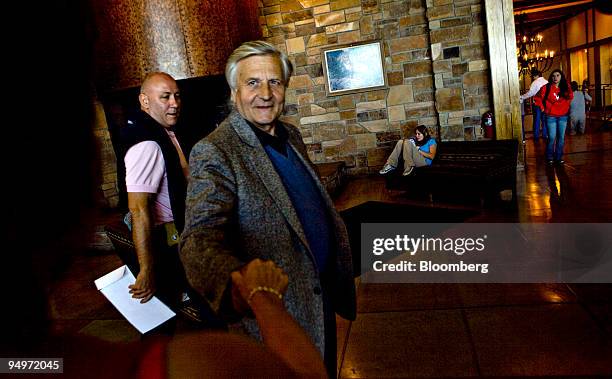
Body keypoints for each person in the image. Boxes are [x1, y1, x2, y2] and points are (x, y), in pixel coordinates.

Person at [179, 40, 356, 378]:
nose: (265, 93)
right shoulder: (215, 150)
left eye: (274, 81)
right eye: (252, 82)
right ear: (234, 93)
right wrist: (244, 288)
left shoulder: (291, 135)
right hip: (277, 319)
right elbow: (198, 238)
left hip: (319, 300)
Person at [119, 72, 191, 309]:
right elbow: (138, 208)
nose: (174, 104)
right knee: (164, 320)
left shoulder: (165, 132)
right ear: (144, 101)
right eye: (165, 97)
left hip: (182, 238)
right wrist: (146, 269)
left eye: (177, 96)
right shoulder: (147, 142)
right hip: (166, 244)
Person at [534, 69, 573, 165]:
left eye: (558, 75)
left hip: (563, 116)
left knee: (561, 138)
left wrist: (566, 106)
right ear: (551, 77)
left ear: (561, 77)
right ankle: (549, 157)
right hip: (551, 116)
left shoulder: (566, 86)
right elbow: (537, 98)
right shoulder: (546, 87)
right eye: (553, 76)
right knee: (551, 137)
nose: (555, 78)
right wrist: (543, 108)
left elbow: (571, 97)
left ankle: (558, 157)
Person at [520, 68, 548, 141]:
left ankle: (536, 137)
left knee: (537, 120)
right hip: (545, 103)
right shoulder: (546, 81)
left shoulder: (535, 82)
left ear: (535, 76)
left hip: (537, 103)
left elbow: (531, 93)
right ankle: (545, 135)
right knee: (544, 120)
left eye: (532, 76)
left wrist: (522, 97)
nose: (532, 77)